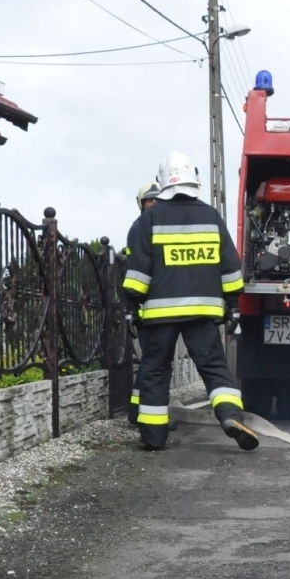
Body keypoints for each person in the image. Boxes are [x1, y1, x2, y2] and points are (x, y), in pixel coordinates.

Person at [122, 151, 259, 452]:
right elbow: (231, 268)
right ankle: (229, 416)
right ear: (194, 178)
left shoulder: (151, 219)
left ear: (163, 183)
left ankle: (154, 437)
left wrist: (133, 307)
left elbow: (137, 274)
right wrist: (233, 305)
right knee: (214, 368)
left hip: (160, 314)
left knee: (156, 370)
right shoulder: (211, 216)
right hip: (203, 311)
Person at [124, 180, 161, 426]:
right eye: (150, 200)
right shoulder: (141, 228)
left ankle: (137, 412)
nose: (155, 204)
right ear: (142, 204)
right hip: (148, 307)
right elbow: (137, 272)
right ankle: (146, 415)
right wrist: (132, 309)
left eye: (159, 200)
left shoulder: (153, 226)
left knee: (152, 361)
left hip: (153, 307)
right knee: (154, 363)